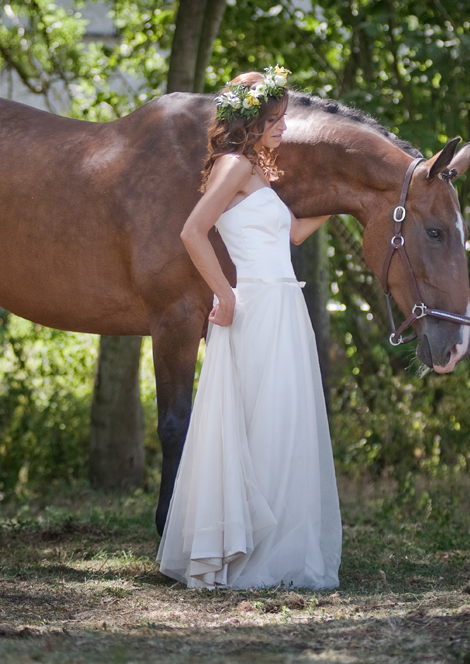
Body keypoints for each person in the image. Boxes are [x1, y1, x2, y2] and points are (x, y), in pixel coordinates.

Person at [157, 67, 342, 589]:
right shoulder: (233, 165)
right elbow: (193, 231)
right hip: (255, 306)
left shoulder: (257, 172)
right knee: (262, 421)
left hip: (284, 306)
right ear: (253, 118)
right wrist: (224, 294)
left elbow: (294, 235)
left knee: (282, 424)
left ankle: (278, 548)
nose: (284, 127)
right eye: (277, 118)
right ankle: (246, 550)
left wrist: (340, 199)